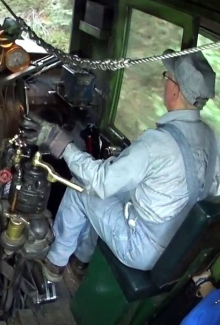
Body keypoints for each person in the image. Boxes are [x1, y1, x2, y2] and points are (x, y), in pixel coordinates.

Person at [23, 51, 220, 282]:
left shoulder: (158, 142)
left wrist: (62, 144)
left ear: (175, 89)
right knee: (109, 194)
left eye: (167, 76)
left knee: (82, 186)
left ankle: (54, 264)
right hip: (180, 246)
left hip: (143, 248)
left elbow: (100, 183)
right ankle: (79, 263)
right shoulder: (211, 137)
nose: (165, 82)